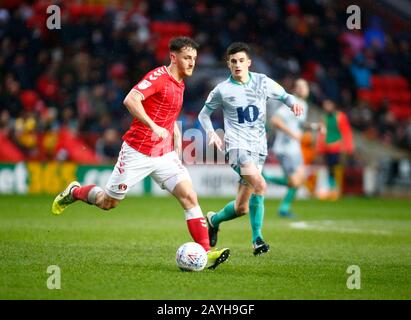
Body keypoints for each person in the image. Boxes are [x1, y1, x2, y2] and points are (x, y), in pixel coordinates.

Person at [51, 36, 230, 270]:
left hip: (164, 154)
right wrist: (154, 126)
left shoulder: (180, 82)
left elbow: (164, 109)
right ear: (173, 57)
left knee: (189, 197)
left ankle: (206, 253)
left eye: (194, 59)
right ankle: (75, 191)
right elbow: (131, 99)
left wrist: (173, 128)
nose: (192, 63)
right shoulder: (158, 77)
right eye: (187, 58)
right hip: (138, 151)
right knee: (107, 202)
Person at [198, 42, 303, 255]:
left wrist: (293, 104)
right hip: (237, 149)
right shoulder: (222, 89)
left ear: (249, 63)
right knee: (260, 184)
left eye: (241, 61)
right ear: (228, 64)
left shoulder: (263, 82)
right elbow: (203, 114)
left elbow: (284, 96)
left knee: (241, 208)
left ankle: (213, 219)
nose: (237, 65)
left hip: (259, 149)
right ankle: (257, 240)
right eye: (233, 61)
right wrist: (211, 133)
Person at [263, 78, 317, 218]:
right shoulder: (292, 103)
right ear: (295, 89)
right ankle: (266, 178)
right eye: (299, 86)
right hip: (285, 148)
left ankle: (284, 208)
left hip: (295, 148)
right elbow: (275, 120)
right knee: (295, 181)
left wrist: (315, 127)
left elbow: (299, 125)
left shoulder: (303, 104)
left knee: (299, 179)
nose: (302, 89)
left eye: (304, 86)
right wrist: (291, 133)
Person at [316, 99, 354, 200]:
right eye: (325, 105)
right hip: (327, 148)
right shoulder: (324, 118)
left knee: (336, 168)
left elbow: (346, 132)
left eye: (328, 105)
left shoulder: (341, 117)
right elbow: (321, 134)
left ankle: (337, 189)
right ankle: (333, 189)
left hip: (338, 147)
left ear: (333, 105)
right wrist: (319, 149)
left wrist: (348, 147)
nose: (326, 107)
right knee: (330, 169)